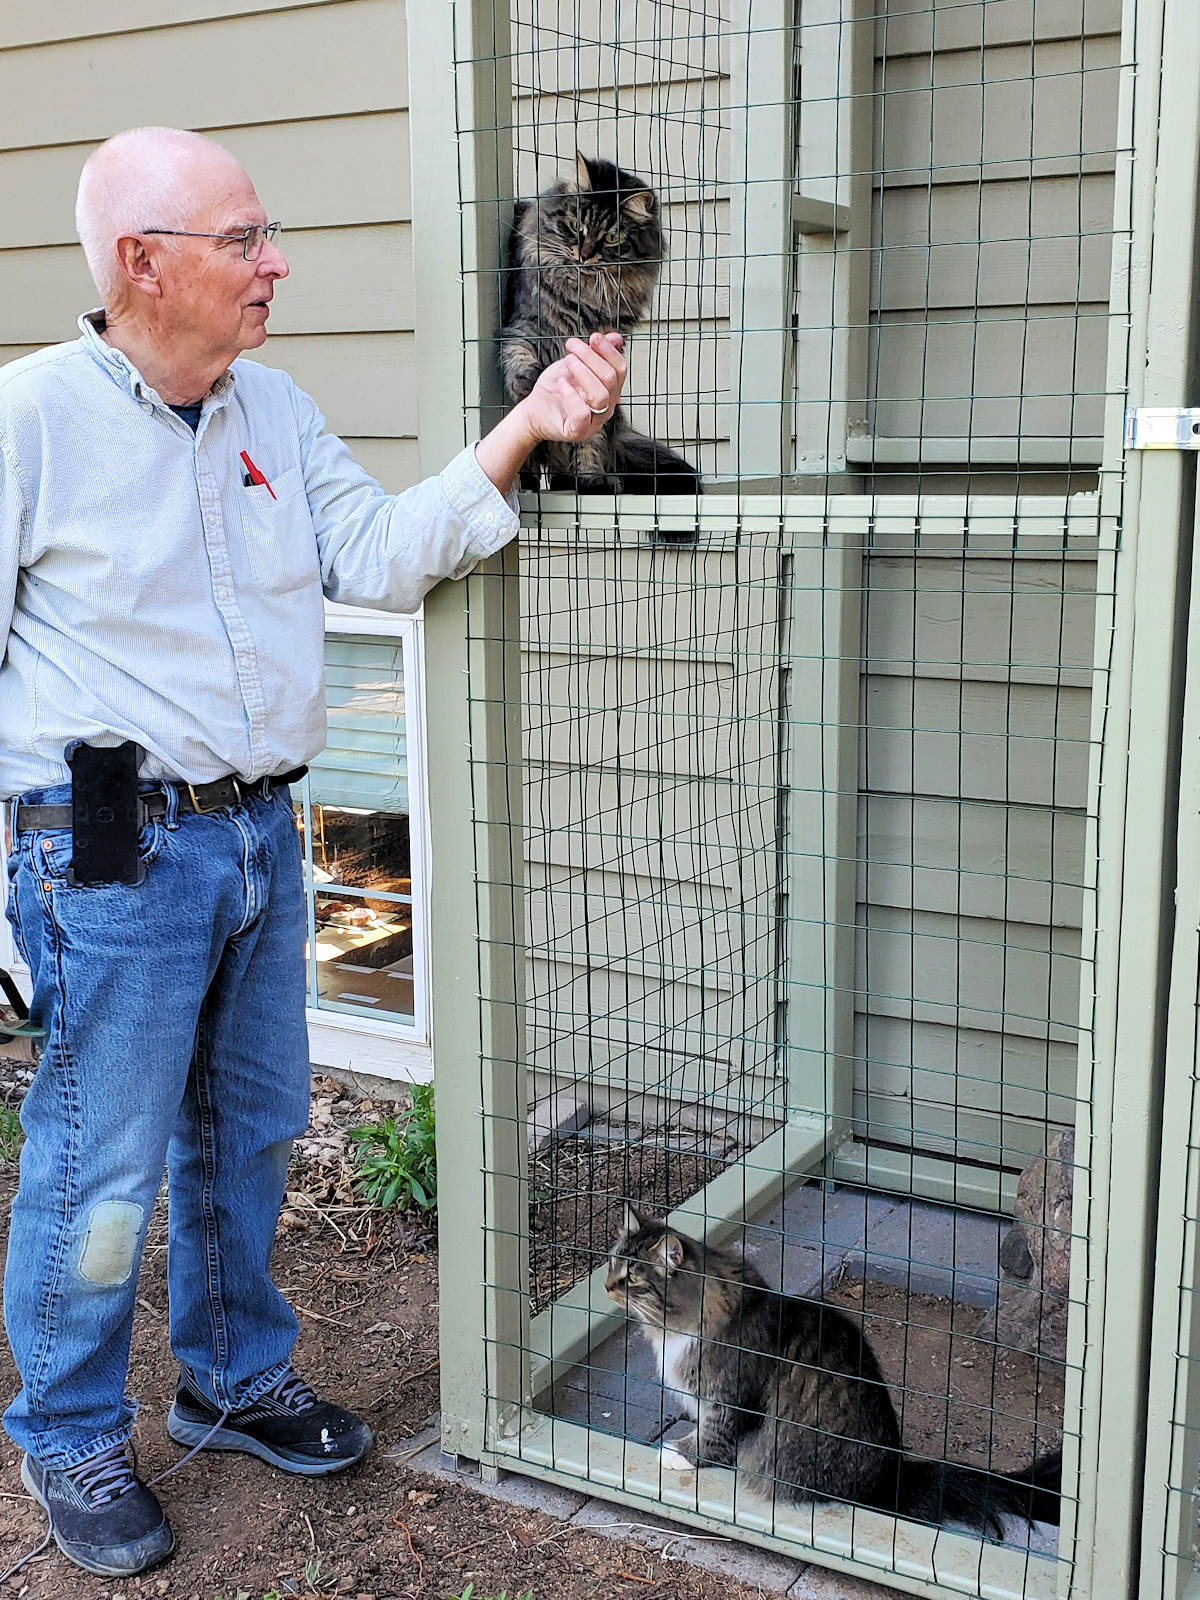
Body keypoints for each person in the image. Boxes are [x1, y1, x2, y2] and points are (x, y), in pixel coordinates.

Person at [0, 125, 627, 1579]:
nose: (275, 262)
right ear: (143, 264)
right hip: (108, 860)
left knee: (253, 1131)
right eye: (244, 239)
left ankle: (230, 1377)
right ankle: (71, 1427)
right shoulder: (30, 419)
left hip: (259, 845)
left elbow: (386, 551)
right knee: (101, 1171)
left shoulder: (273, 412)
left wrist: (527, 423)